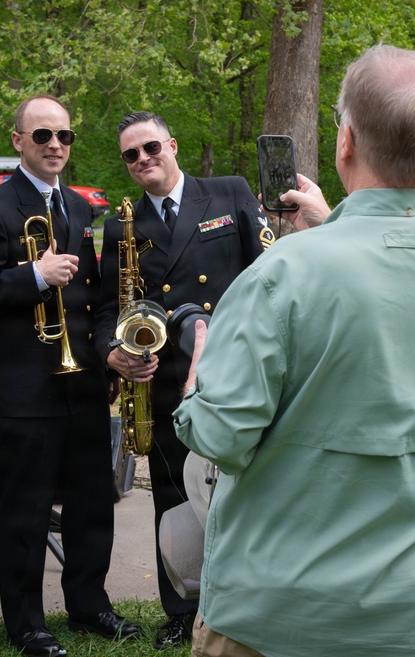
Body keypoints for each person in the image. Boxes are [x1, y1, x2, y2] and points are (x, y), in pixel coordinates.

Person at [173, 44, 415, 657]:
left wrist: (196, 377)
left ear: (344, 141)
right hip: (413, 611)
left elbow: (220, 437)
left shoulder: (285, 270)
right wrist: (334, 226)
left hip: (278, 614)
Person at [0, 94, 139, 656]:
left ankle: (89, 606)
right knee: (25, 511)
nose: (55, 145)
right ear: (18, 142)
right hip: (26, 383)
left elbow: (102, 295)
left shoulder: (83, 209)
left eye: (64, 136)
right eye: (42, 136)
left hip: (83, 379)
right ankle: (27, 623)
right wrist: (33, 275)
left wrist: (109, 350)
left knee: (92, 504)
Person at [93, 111, 272, 650]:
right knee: (174, 496)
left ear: (172, 144)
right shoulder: (119, 226)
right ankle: (181, 607)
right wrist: (112, 353)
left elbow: (268, 273)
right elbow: (107, 307)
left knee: (249, 489)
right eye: (132, 155)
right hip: (164, 379)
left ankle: (252, 599)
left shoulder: (228, 192)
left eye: (151, 147)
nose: (144, 159)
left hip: (236, 372)